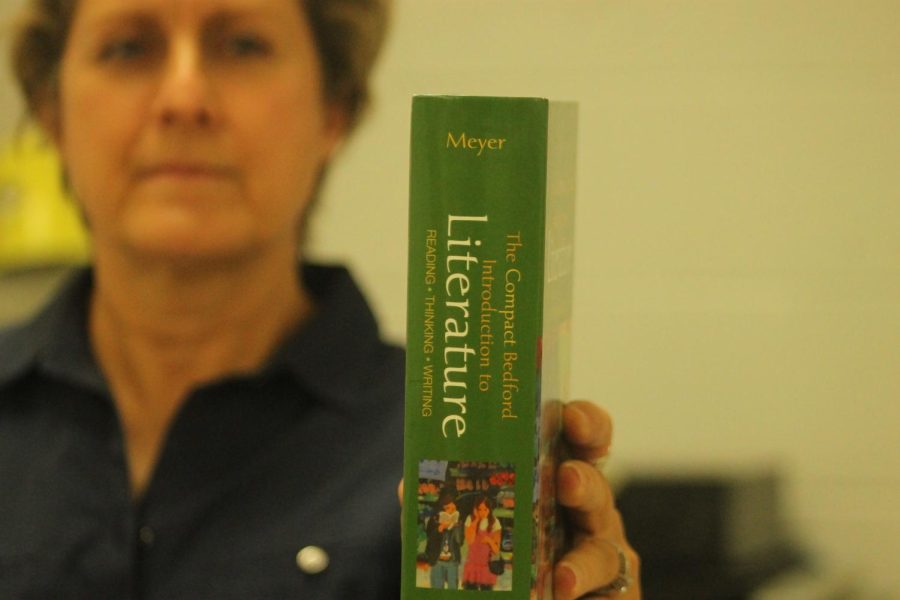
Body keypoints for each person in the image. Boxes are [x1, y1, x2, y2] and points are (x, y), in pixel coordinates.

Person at [0, 0, 641, 598]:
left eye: (243, 45)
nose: (184, 96)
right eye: (127, 49)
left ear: (334, 109)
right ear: (50, 111)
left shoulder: (449, 447)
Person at [462, 494, 503, 591]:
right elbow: (470, 541)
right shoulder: (470, 519)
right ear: (475, 509)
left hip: (487, 567)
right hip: (472, 565)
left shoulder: (494, 522)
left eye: (485, 509)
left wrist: (489, 540)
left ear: (489, 509)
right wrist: (476, 520)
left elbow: (496, 550)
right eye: (480, 509)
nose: (482, 512)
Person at [425, 488, 463, 589]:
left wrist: (456, 527)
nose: (451, 511)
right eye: (448, 508)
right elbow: (430, 539)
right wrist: (439, 529)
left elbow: (460, 541)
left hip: (452, 560)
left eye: (453, 508)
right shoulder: (434, 521)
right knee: (437, 588)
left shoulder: (458, 523)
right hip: (437, 560)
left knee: (452, 588)